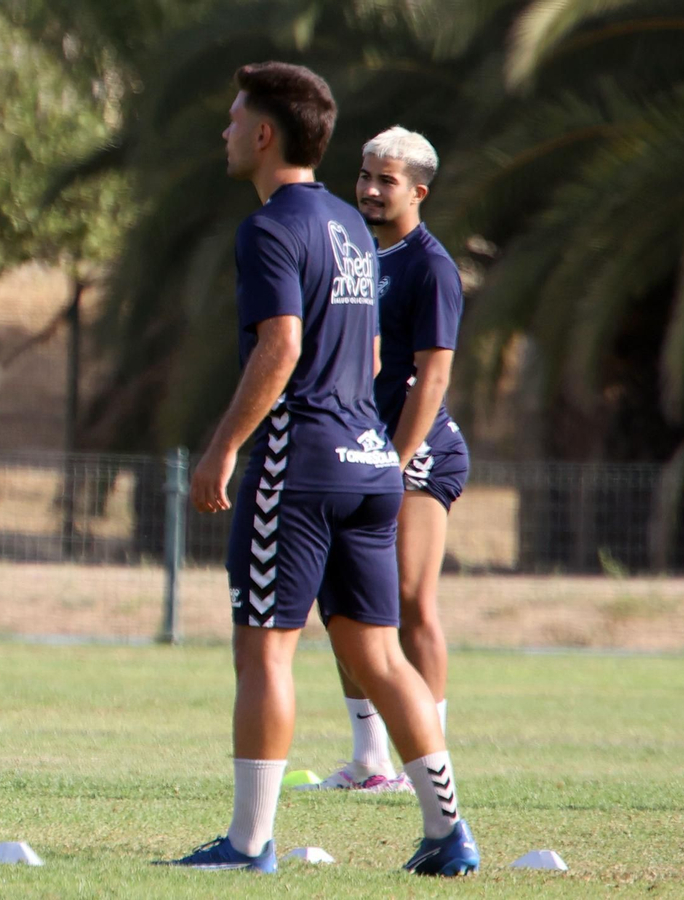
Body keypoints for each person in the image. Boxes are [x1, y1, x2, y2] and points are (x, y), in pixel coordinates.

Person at [157, 62, 477, 876]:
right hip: (368, 464)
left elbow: (282, 345)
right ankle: (448, 835)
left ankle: (247, 845)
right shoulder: (349, 226)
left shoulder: (268, 229)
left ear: (266, 135)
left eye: (236, 119)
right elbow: (368, 352)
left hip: (296, 466)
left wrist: (225, 447)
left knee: (264, 652)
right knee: (381, 656)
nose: (226, 131)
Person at [300, 125, 468, 792]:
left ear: (418, 192)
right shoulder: (359, 254)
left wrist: (394, 461)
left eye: (386, 180)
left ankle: (431, 763)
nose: (370, 189)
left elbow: (433, 376)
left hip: (417, 453)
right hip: (361, 450)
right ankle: (371, 762)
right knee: (348, 603)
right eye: (365, 175)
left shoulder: (431, 266)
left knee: (410, 601)